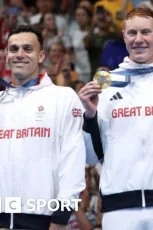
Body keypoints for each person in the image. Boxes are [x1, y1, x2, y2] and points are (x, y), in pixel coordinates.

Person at [78, 6, 153, 230]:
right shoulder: (107, 86)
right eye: (132, 33)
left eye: (146, 32)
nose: (138, 39)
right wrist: (90, 116)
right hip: (119, 207)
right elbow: (92, 156)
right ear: (124, 36)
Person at [0, 25, 86, 229]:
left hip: (43, 220)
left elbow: (72, 159)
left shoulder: (63, 97)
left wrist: (61, 217)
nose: (19, 54)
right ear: (6, 56)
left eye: (27, 49)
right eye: (14, 49)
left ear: (41, 56)